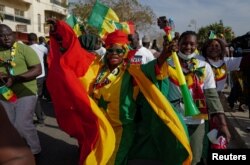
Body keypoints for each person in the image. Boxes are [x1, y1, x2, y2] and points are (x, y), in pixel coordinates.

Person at [47, 19, 192, 165]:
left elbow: (154, 69)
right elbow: (75, 56)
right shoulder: (96, 67)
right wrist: (59, 30)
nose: (114, 54)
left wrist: (164, 55)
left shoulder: (133, 72)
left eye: (119, 50)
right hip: (99, 127)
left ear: (126, 51)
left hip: (121, 130)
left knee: (112, 161)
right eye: (110, 50)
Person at [162, 30, 231, 165]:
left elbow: (211, 96)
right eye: (184, 43)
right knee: (174, 156)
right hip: (174, 118)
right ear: (179, 44)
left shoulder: (204, 66)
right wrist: (165, 53)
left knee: (195, 157)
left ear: (197, 45)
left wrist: (222, 124)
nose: (188, 47)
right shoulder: (167, 64)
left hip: (197, 120)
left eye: (192, 44)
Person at [0, 24, 42, 155]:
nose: (6, 38)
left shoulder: (24, 49)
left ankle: (35, 150)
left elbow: (37, 69)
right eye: (2, 36)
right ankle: (18, 150)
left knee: (22, 123)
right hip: (5, 93)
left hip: (26, 91)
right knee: (10, 125)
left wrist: (15, 78)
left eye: (9, 34)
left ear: (14, 35)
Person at [200, 38, 250, 110]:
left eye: (217, 46)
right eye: (210, 46)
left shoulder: (226, 62)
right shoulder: (198, 60)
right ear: (205, 48)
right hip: (200, 97)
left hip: (217, 98)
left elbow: (245, 60)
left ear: (222, 48)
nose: (214, 48)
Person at [28, 32, 48, 126]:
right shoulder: (42, 48)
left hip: (32, 77)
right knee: (37, 97)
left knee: (34, 98)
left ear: (28, 40)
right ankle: (41, 115)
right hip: (41, 75)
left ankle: (40, 119)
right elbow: (50, 55)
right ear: (36, 39)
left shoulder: (26, 49)